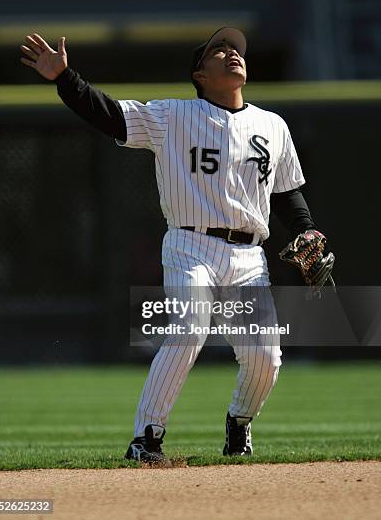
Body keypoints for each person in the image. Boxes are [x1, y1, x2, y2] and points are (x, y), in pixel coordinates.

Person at [20, 27, 320, 463]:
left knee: (265, 360)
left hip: (249, 257)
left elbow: (288, 192)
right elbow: (108, 114)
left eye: (236, 49)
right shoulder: (173, 116)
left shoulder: (272, 126)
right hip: (190, 246)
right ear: (199, 74)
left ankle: (239, 422)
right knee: (189, 328)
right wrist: (64, 78)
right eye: (220, 50)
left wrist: (307, 228)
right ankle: (147, 437)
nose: (233, 53)